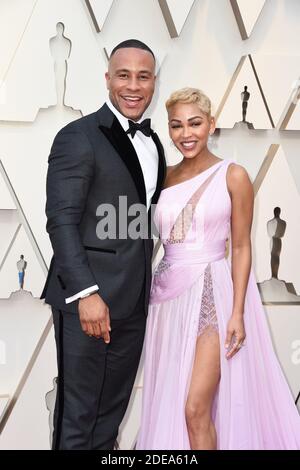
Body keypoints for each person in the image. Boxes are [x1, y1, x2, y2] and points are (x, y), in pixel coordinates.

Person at [136, 87, 300, 450]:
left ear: (212, 124)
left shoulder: (234, 176)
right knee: (173, 405)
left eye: (195, 123)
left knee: (195, 408)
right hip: (166, 300)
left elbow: (241, 246)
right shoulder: (162, 179)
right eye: (177, 126)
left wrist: (238, 312)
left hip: (212, 292)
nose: (186, 134)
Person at [41, 39, 166, 450]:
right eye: (124, 75)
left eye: (143, 76)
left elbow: (139, 223)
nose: (133, 85)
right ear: (107, 79)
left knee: (109, 420)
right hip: (87, 302)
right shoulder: (78, 136)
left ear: (153, 83)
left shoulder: (154, 144)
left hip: (133, 302)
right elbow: (62, 221)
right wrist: (86, 294)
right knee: (78, 420)